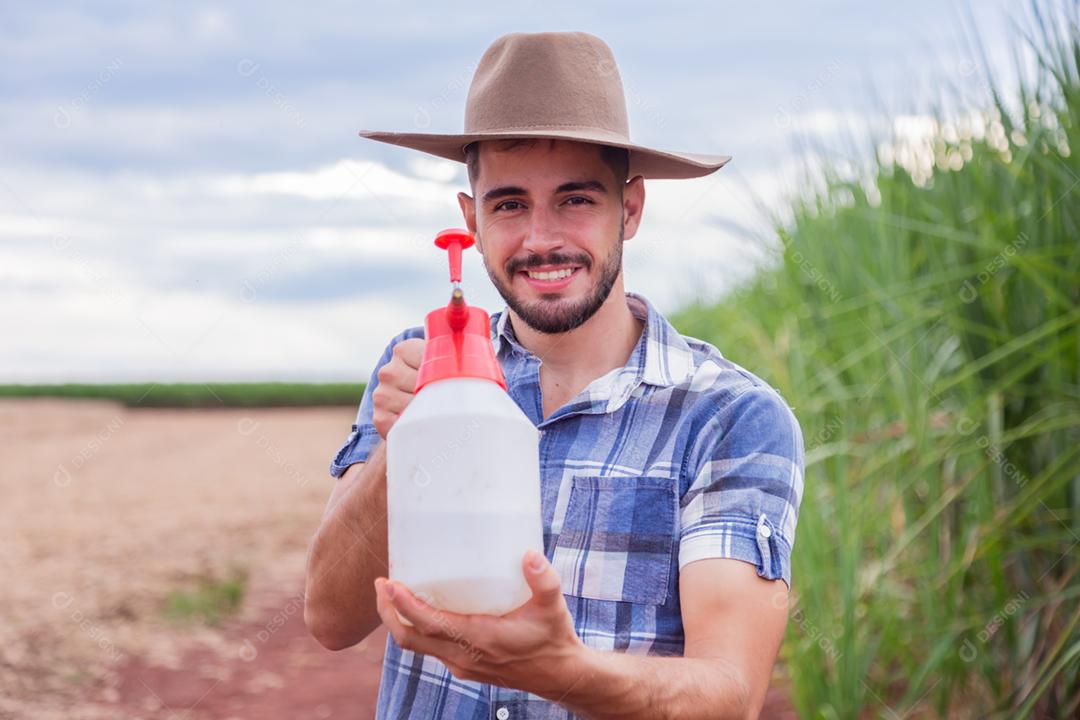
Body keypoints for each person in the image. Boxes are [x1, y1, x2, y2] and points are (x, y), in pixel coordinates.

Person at [304, 31, 804, 720]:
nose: (540, 239)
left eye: (575, 200)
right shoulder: (414, 371)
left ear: (629, 209)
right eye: (509, 204)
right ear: (470, 220)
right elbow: (330, 619)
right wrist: (406, 444)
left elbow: (731, 693)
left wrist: (561, 671)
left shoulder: (727, 417)